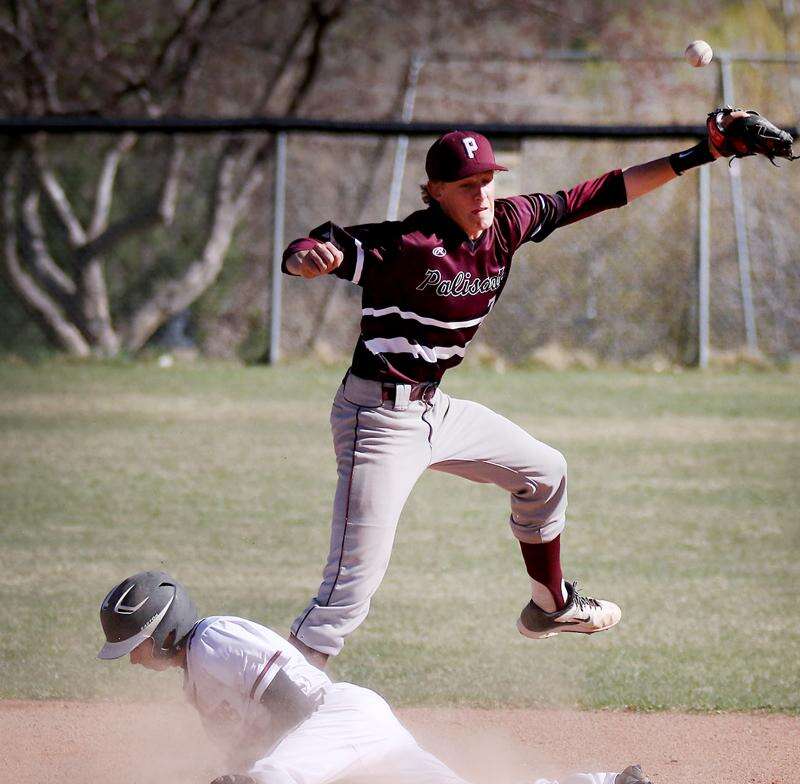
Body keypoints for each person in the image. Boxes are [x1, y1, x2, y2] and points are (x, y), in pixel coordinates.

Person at [280, 114, 751, 671]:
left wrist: (704, 154)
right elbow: (320, 245)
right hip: (377, 420)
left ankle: (550, 607)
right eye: (466, 186)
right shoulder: (409, 244)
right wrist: (306, 255)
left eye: (487, 180)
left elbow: (602, 192)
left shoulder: (509, 222)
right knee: (349, 588)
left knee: (545, 471)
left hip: (435, 409)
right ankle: (261, 721)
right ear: (434, 192)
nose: (481, 194)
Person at [98, 571, 669, 784]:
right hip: (345, 742)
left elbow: (291, 697)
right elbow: (240, 748)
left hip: (339, 718)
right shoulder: (195, 677)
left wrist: (274, 776)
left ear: (164, 629)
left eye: (134, 643)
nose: (130, 656)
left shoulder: (217, 638)